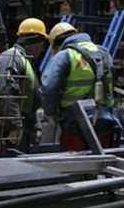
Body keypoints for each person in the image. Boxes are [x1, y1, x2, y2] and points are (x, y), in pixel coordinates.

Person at [40, 22, 117, 151]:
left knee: (75, 167)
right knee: (103, 165)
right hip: (104, 120)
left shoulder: (64, 56)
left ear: (56, 43)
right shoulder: (104, 53)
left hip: (74, 123)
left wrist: (50, 113)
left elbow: (48, 88)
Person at [0, 17, 49, 154]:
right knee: (11, 165)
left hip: (21, 123)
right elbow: (7, 92)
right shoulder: (12, 57)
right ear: (34, 42)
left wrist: (34, 127)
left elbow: (31, 99)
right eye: (42, 44)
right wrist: (14, 125)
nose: (43, 48)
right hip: (10, 126)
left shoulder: (25, 61)